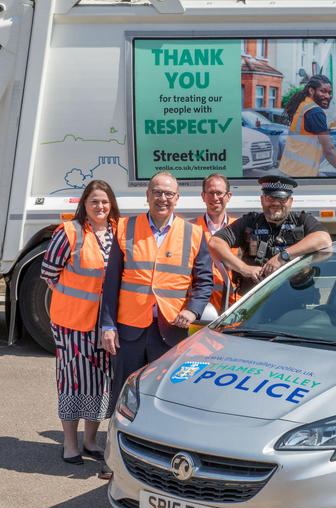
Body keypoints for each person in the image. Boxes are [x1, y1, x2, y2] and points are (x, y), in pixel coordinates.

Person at [100, 171, 213, 407]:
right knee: (123, 394)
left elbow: (204, 281)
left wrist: (193, 311)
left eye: (169, 194)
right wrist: (108, 325)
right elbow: (110, 283)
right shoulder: (125, 228)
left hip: (171, 330)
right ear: (147, 195)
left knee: (165, 395)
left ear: (177, 198)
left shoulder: (193, 233)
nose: (163, 198)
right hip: (129, 331)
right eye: (157, 192)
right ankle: (118, 440)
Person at [39, 179, 119, 466]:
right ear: (84, 205)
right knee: (73, 381)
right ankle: (70, 444)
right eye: (94, 201)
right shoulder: (69, 233)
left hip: (107, 324)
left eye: (105, 201)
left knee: (100, 382)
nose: (100, 206)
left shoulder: (118, 232)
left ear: (112, 205)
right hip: (72, 323)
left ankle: (90, 440)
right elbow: (49, 273)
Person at [209, 174, 331, 296]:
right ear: (262, 199)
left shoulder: (302, 220)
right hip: (255, 301)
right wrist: (245, 269)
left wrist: (283, 256)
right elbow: (215, 242)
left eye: (282, 199)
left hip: (297, 297)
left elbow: (324, 239)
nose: (276, 204)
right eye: (270, 198)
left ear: (291, 201)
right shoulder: (250, 222)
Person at [279, 75, 336, 177]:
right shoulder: (315, 112)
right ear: (311, 91)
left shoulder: (303, 104)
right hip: (301, 174)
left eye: (329, 92)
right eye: (322, 91)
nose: (327, 96)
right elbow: (329, 149)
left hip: (288, 169)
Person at [195, 173, 238, 311]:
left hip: (233, 308)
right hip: (197, 307)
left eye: (219, 193)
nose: (215, 198)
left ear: (228, 196)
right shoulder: (190, 228)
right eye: (210, 193)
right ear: (203, 196)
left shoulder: (239, 228)